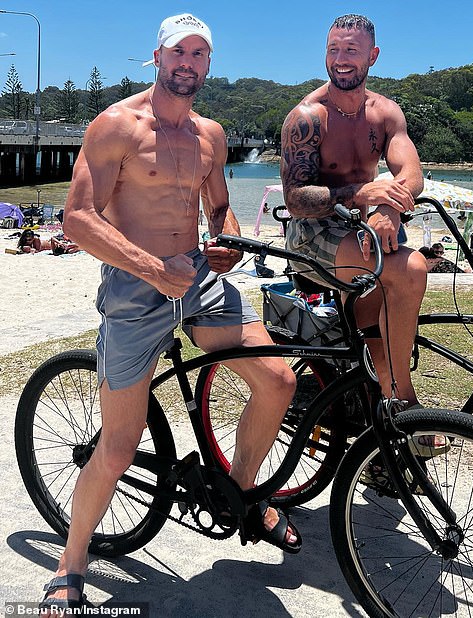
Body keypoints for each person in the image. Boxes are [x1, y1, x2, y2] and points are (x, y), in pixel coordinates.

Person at [39, 13, 300, 614]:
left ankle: (240, 495)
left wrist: (228, 242)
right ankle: (71, 560)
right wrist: (153, 270)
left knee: (278, 380)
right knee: (120, 447)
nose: (188, 62)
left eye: (200, 54)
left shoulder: (210, 134)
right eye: (178, 51)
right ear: (156, 57)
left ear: (209, 65)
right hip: (136, 287)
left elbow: (221, 213)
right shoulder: (116, 126)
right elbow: (76, 219)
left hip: (199, 280)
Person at [281, 15, 447, 456]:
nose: (341, 59)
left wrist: (390, 206)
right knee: (409, 267)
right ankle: (404, 404)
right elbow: (295, 198)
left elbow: (410, 172)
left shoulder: (385, 113)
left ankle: (378, 447)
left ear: (372, 55)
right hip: (309, 236)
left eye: (351, 50)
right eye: (334, 49)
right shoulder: (307, 117)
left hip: (361, 230)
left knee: (375, 332)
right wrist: (362, 192)